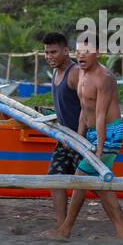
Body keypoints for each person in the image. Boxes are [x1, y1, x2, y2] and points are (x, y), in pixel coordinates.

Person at [47, 43, 123, 240]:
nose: (81, 56)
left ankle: (65, 229)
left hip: (110, 133)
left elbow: (101, 115)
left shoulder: (104, 78)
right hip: (92, 132)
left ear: (97, 53)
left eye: (87, 52)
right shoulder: (82, 74)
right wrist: (78, 138)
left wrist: (99, 150)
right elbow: (84, 111)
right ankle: (121, 228)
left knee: (81, 179)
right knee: (95, 182)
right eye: (79, 52)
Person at [42, 32, 86, 230]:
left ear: (66, 51)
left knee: (96, 186)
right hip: (65, 138)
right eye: (46, 52)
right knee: (55, 178)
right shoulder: (55, 73)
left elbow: (87, 107)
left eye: (53, 52)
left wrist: (79, 137)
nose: (49, 56)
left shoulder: (74, 73)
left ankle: (120, 219)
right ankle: (62, 226)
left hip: (81, 139)